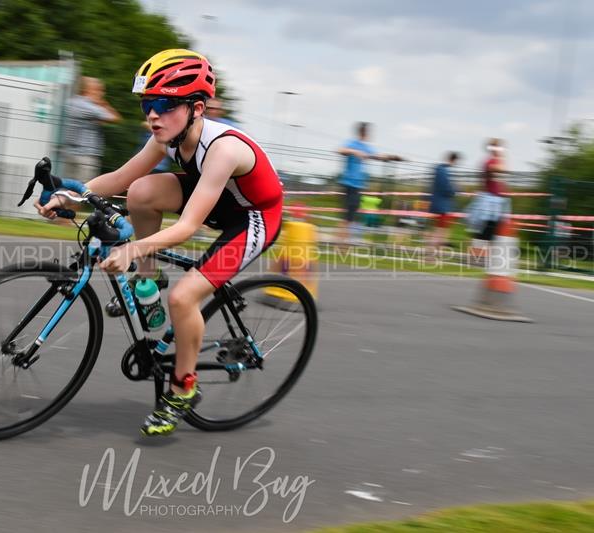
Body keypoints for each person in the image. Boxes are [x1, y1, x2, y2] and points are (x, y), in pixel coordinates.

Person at [38, 49, 283, 437]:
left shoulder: (223, 149)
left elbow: (187, 227)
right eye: (148, 103)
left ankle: (183, 389)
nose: (152, 114)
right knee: (141, 191)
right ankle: (147, 281)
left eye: (165, 104)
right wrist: (69, 197)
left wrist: (133, 248)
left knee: (185, 299)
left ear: (197, 108)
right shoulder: (168, 136)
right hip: (218, 198)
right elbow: (119, 178)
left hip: (254, 218)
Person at [336, 122, 397, 245]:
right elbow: (340, 150)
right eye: (367, 132)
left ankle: (342, 242)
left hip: (358, 185)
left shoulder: (366, 146)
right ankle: (340, 243)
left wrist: (390, 157)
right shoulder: (352, 143)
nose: (369, 135)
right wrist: (354, 152)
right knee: (348, 216)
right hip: (349, 184)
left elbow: (377, 156)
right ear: (363, 132)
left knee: (351, 216)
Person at [62, 76, 122, 182]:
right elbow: (115, 118)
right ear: (88, 89)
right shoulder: (89, 107)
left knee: (65, 189)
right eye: (99, 89)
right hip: (86, 157)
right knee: (84, 191)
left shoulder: (71, 102)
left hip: (68, 153)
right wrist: (103, 103)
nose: (102, 93)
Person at [428, 151, 459, 248]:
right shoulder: (443, 171)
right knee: (440, 228)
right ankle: (432, 249)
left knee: (440, 227)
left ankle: (436, 247)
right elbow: (445, 187)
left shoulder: (440, 169)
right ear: (453, 160)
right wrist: (454, 191)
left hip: (440, 203)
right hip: (442, 204)